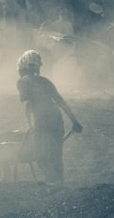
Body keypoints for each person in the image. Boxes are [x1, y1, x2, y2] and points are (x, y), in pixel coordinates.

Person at [16, 49, 82, 183]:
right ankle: (60, 184)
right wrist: (74, 121)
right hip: (56, 120)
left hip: (42, 121)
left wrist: (30, 124)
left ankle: (52, 181)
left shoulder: (23, 82)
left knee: (40, 156)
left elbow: (28, 104)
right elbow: (59, 100)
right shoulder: (46, 81)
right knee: (56, 156)